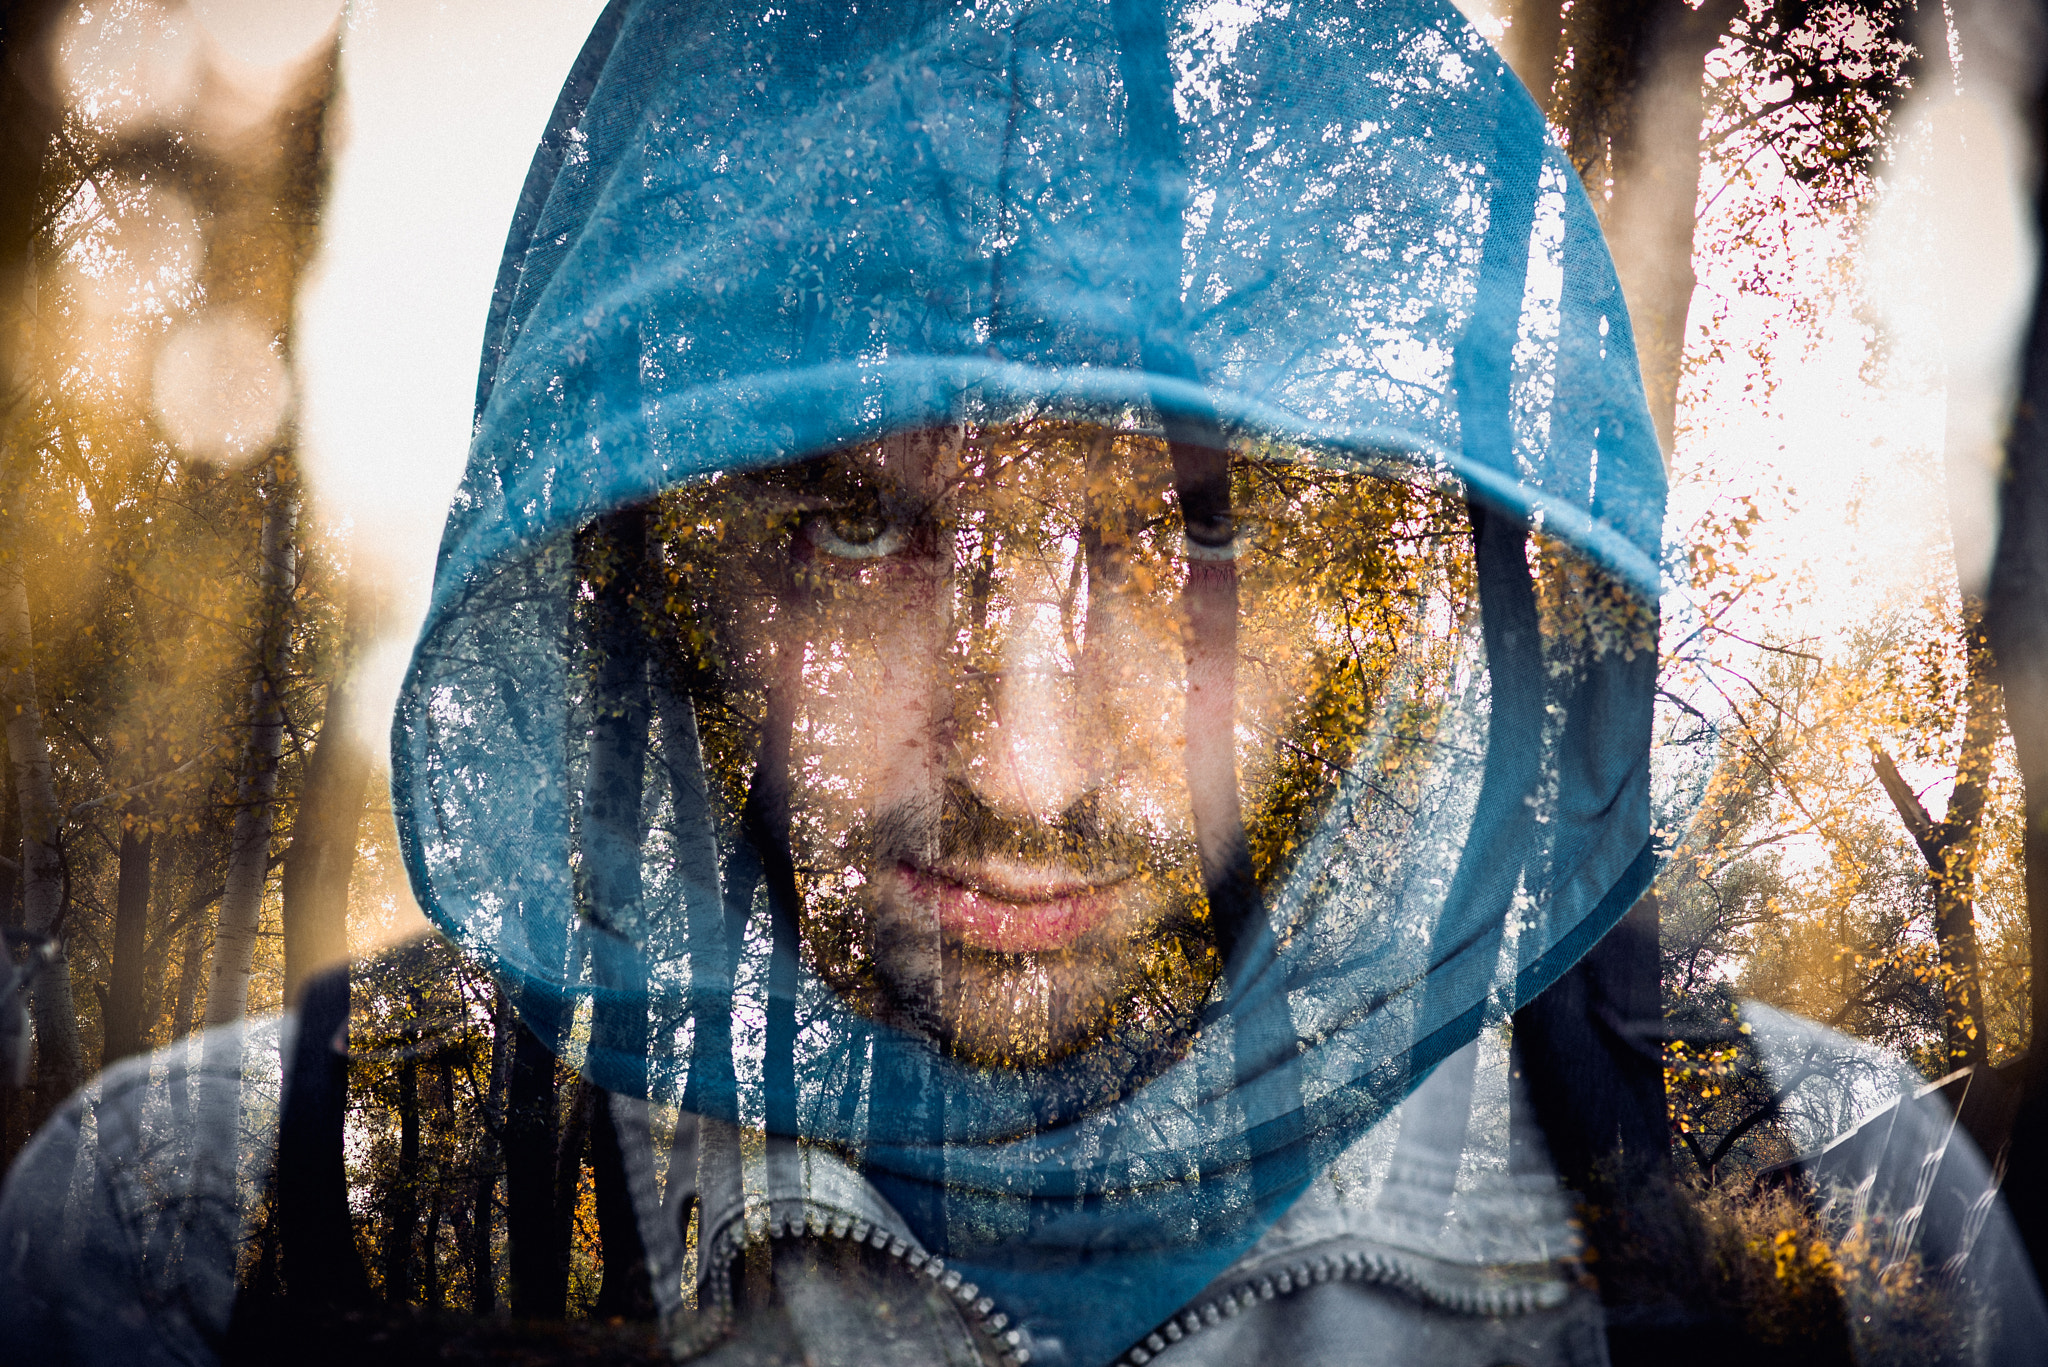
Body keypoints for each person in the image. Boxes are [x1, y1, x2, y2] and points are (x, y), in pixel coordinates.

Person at [3, 1, 2043, 1364]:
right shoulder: (201, 1241)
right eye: (845, 524)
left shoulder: (1821, 1230)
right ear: (637, 553)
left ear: (1407, 570)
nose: (1026, 763)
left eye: (1208, 531)